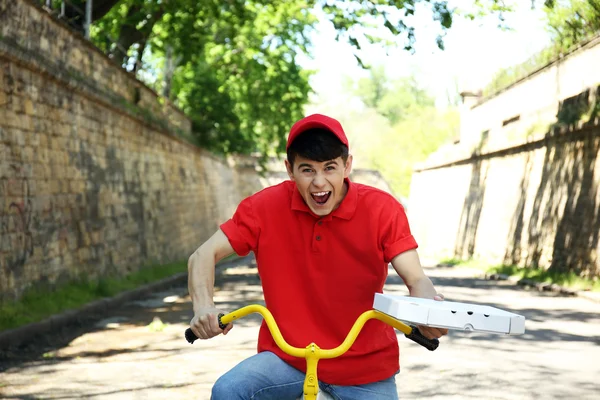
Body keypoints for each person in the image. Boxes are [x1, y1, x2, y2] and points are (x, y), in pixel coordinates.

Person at [188, 113, 448, 400]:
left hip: (365, 368)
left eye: (330, 168)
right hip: (288, 360)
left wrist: (428, 310)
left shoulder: (382, 209)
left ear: (347, 165)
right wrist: (204, 308)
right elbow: (202, 255)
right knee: (229, 390)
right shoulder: (263, 208)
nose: (319, 182)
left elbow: (416, 277)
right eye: (307, 170)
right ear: (290, 169)